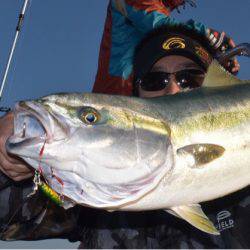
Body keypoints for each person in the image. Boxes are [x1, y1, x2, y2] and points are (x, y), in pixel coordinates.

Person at [0, 0, 244, 248]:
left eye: (189, 78)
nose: (172, 89)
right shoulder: (81, 198)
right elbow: (11, 216)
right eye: (154, 80)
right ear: (136, 95)